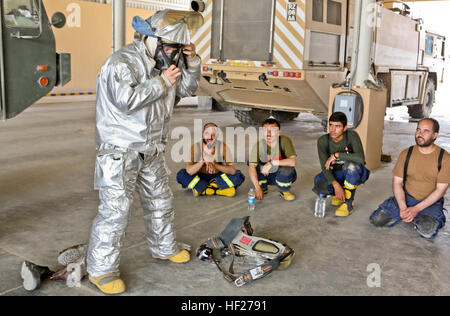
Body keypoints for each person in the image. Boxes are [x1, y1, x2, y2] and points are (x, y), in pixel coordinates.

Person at [86, 9, 203, 294]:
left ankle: (163, 248)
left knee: (161, 201)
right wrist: (162, 81)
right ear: (150, 39)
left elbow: (188, 89)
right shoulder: (121, 63)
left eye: (178, 49)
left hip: (150, 149)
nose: (173, 53)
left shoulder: (168, 62)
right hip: (120, 150)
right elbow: (126, 100)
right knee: (115, 211)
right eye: (170, 47)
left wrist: (192, 61)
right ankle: (100, 270)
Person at [370, 118, 449, 239]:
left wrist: (416, 209)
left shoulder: (444, 158)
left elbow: (440, 190)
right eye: (418, 130)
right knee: (377, 220)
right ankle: (409, 214)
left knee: (427, 231)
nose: (420, 134)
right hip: (407, 198)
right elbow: (397, 183)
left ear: (435, 135)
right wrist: (403, 207)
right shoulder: (406, 153)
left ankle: (426, 216)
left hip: (430, 203)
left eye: (425, 131)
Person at [313, 112, 370, 216]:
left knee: (352, 167)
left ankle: (348, 202)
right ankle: (338, 194)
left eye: (337, 126)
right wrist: (335, 185)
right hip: (337, 173)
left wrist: (337, 155)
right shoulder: (323, 141)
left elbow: (360, 158)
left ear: (344, 128)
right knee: (319, 181)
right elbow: (325, 167)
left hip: (354, 172)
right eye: (331, 125)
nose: (333, 130)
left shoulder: (351, 136)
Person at [176, 122, 245, 197]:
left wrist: (215, 165)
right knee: (181, 175)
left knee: (239, 175)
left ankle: (204, 189)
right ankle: (218, 189)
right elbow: (189, 171)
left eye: (213, 134)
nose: (210, 137)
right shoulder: (195, 147)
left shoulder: (223, 147)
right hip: (200, 176)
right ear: (203, 134)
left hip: (217, 176)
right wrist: (203, 161)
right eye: (207, 133)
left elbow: (232, 170)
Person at [249, 118, 297, 201]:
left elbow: (293, 162)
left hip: (282, 174)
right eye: (265, 130)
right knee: (252, 164)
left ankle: (284, 190)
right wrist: (257, 187)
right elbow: (251, 166)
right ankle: (262, 188)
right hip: (267, 175)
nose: (268, 133)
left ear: (278, 132)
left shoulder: (284, 141)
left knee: (287, 167)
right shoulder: (259, 145)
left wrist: (271, 163)